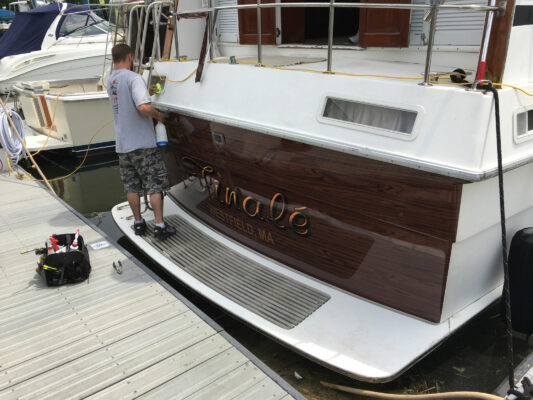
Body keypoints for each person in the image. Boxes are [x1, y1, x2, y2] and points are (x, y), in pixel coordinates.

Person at [107, 43, 175, 240]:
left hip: (122, 144)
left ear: (114, 59)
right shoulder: (134, 78)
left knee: (131, 186)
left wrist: (148, 93)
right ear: (130, 56)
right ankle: (160, 226)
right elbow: (143, 108)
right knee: (154, 184)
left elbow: (128, 101)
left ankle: (138, 223)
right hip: (142, 143)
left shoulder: (111, 81)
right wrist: (160, 116)